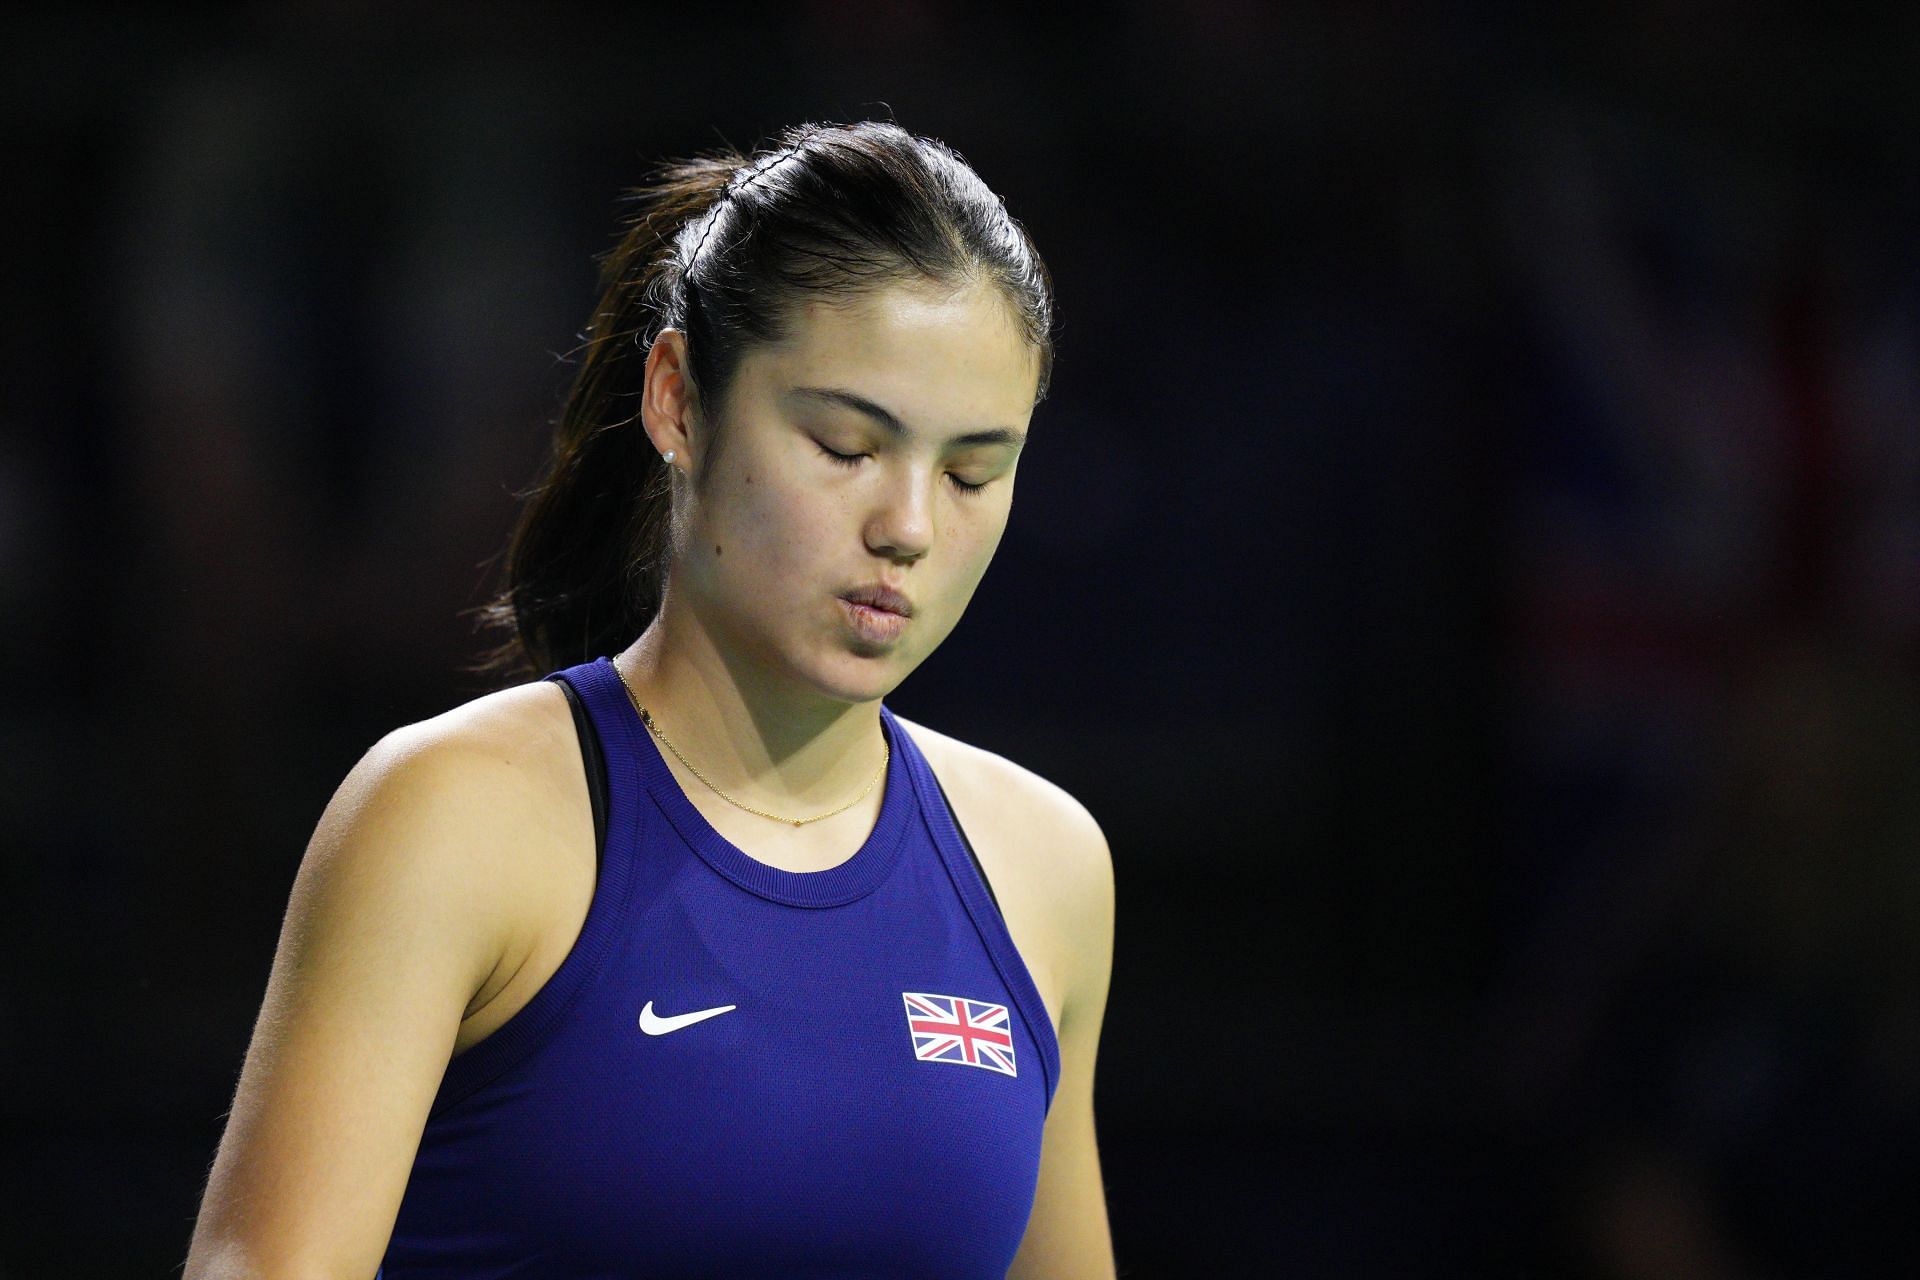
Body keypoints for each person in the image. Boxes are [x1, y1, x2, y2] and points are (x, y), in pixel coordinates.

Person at [183, 119, 1117, 1279]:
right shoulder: (451, 818)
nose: (911, 527)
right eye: (842, 445)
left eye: (973, 471)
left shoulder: (1046, 864)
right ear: (676, 398)